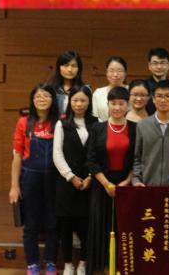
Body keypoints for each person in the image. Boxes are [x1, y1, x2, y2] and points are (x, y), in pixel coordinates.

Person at [9, 84, 59, 275]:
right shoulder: (24, 122)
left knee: (53, 222)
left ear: (53, 100)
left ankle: (51, 261)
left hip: (54, 179)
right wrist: (14, 186)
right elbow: (17, 156)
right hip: (30, 178)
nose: (42, 99)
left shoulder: (59, 122)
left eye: (46, 96)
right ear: (32, 100)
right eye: (38, 96)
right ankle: (32, 263)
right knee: (31, 224)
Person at [86, 87, 136, 275]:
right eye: (113, 103)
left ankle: (123, 267)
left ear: (127, 105)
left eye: (121, 103)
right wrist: (106, 184)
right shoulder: (98, 128)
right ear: (107, 105)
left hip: (126, 186)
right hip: (102, 186)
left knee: (124, 227)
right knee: (102, 228)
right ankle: (104, 268)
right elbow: (91, 160)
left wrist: (127, 181)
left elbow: (138, 159)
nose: (117, 107)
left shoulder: (135, 128)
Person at [53, 86, 98, 275]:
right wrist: (71, 177)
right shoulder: (62, 123)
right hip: (67, 182)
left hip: (90, 181)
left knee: (87, 226)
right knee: (66, 226)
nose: (79, 104)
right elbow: (57, 154)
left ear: (89, 102)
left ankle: (83, 264)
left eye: (83, 100)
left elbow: (98, 153)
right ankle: (68, 265)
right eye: (75, 100)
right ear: (69, 102)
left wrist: (90, 177)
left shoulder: (96, 123)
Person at [133, 80, 169, 186]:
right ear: (153, 99)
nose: (163, 100)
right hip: (147, 186)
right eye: (159, 96)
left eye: (168, 96)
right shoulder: (142, 125)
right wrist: (136, 180)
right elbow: (136, 158)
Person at [49, 50, 86, 117]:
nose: (69, 69)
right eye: (66, 65)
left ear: (79, 69)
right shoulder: (50, 89)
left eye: (73, 66)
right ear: (59, 67)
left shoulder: (85, 89)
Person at [91, 55, 127, 121]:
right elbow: (95, 117)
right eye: (111, 70)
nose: (115, 74)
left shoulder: (131, 91)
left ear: (125, 73)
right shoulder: (98, 93)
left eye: (119, 71)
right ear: (106, 73)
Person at [144, 47, 169, 113]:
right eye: (155, 63)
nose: (159, 67)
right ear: (149, 66)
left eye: (162, 63)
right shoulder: (144, 86)